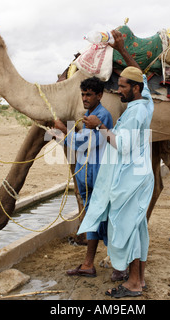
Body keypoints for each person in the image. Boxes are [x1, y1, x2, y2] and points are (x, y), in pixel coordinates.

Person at [79, 30, 155, 298]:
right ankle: (140, 280)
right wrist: (122, 49)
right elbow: (141, 75)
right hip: (139, 176)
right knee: (138, 229)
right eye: (118, 84)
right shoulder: (146, 101)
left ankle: (133, 283)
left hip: (131, 181)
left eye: (123, 86)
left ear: (134, 90)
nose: (118, 89)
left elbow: (122, 145)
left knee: (128, 230)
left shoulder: (135, 113)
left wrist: (99, 125)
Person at [52, 76, 118, 279]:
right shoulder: (88, 115)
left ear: (100, 95)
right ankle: (90, 263)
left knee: (101, 219)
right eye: (83, 94)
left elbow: (84, 144)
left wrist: (63, 132)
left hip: (96, 177)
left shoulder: (101, 117)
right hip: (86, 177)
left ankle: (105, 262)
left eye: (89, 94)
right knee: (93, 218)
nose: (85, 98)